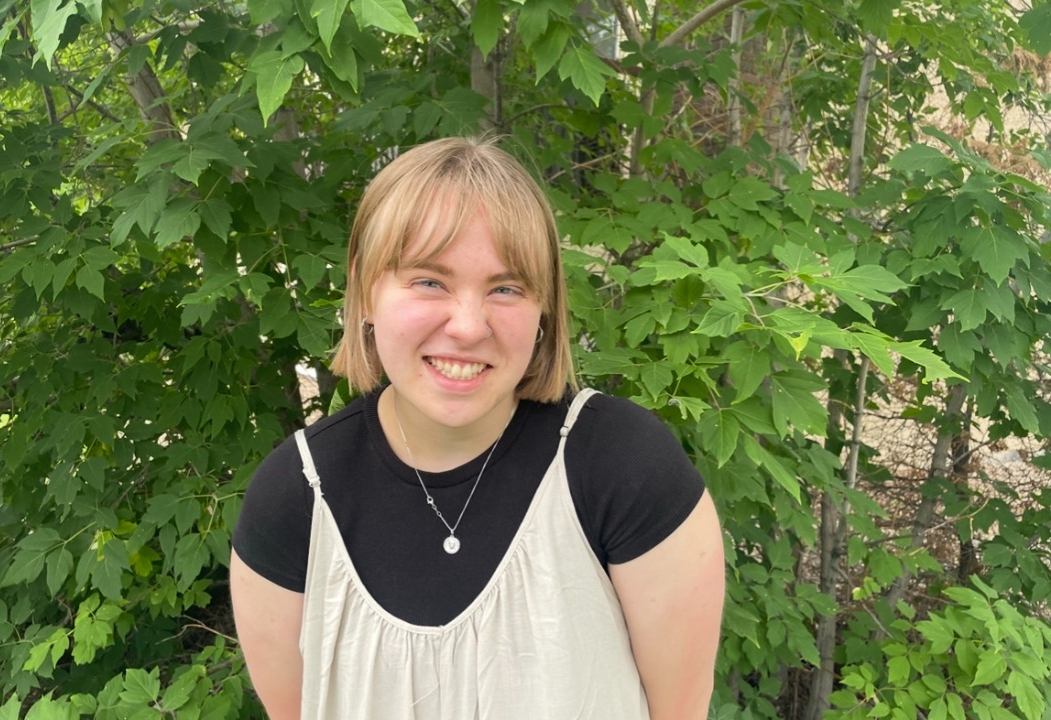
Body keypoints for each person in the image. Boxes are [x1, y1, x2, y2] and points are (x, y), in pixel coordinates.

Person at [230, 137, 726, 720]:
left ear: (544, 309)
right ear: (365, 290)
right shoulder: (295, 496)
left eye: (506, 288)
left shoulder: (624, 467)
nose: (468, 327)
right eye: (429, 281)